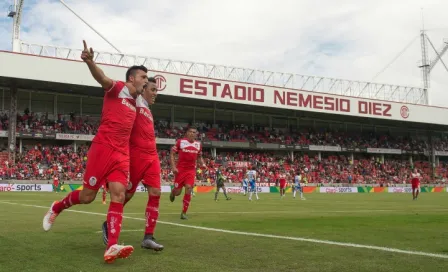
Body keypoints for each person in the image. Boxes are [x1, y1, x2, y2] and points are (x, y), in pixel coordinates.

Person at [42, 40, 149, 263]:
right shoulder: (118, 88)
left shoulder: (137, 101)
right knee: (87, 197)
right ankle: (57, 207)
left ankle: (112, 246)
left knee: (119, 195)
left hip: (122, 154)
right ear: (132, 78)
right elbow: (103, 78)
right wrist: (90, 62)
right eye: (143, 78)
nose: (146, 82)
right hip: (103, 148)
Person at [101, 78, 163, 251]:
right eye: (152, 89)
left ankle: (148, 237)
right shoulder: (134, 101)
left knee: (156, 192)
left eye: (156, 90)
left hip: (152, 156)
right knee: (125, 196)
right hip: (135, 156)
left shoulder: (148, 110)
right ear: (143, 89)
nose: (155, 93)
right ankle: (109, 223)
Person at [169, 127, 206, 220]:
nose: (192, 133)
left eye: (194, 132)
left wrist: (203, 164)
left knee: (189, 188)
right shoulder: (180, 142)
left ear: (196, 134)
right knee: (177, 192)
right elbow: (172, 153)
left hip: (191, 170)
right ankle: (173, 193)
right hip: (180, 170)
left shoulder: (198, 145)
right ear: (187, 133)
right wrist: (173, 167)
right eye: (190, 132)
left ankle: (184, 212)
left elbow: (199, 157)